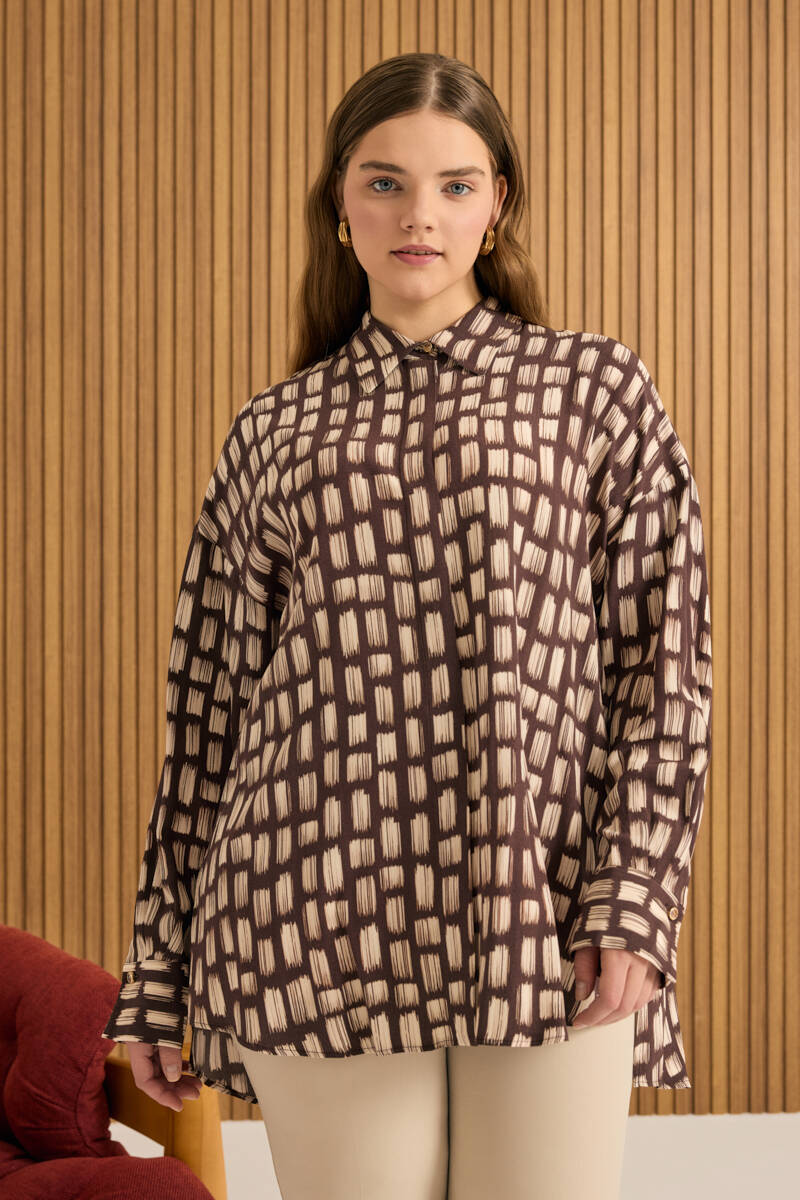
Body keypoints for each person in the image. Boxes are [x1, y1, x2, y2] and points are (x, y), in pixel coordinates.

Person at [101, 52, 713, 1200]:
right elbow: (209, 719)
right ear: (340, 204)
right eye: (383, 183)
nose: (417, 215)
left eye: (453, 184)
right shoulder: (274, 432)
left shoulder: (592, 392)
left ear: (496, 206)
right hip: (309, 911)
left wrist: (632, 897)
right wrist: (158, 972)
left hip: (540, 903)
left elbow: (662, 670)